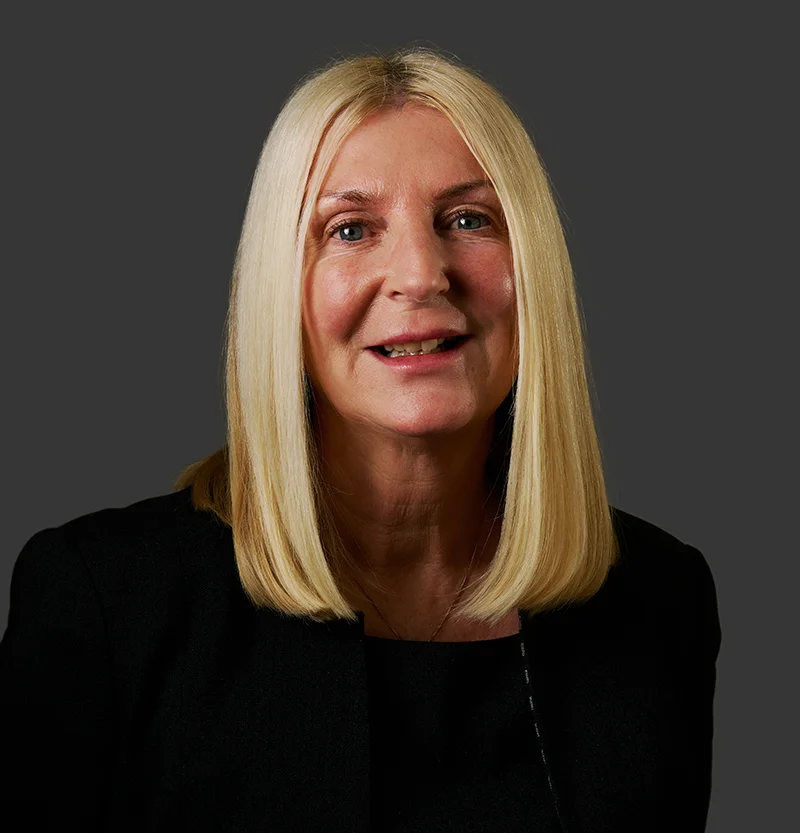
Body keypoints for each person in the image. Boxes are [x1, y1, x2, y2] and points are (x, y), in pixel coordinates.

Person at [0, 47, 721, 831]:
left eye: (468, 219)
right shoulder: (107, 605)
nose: (420, 274)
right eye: (349, 229)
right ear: (281, 290)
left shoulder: (662, 600)